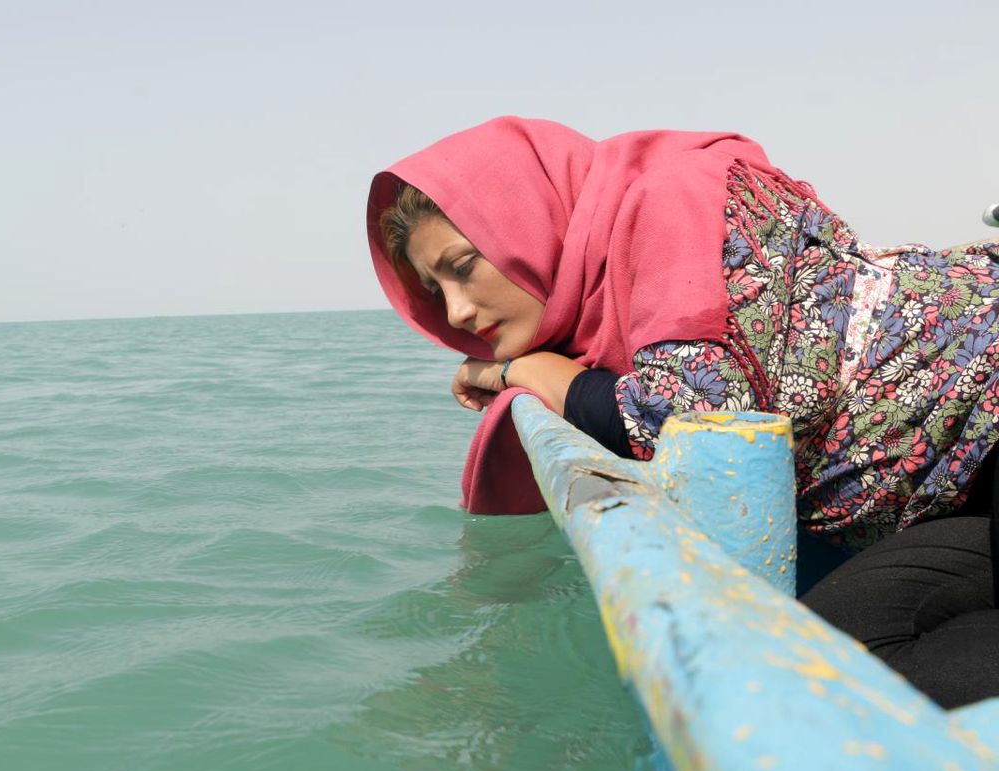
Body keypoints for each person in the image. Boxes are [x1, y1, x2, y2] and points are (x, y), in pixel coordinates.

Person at [366, 116, 999, 708]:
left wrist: (523, 370)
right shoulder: (607, 293)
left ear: (522, 222)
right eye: (434, 291)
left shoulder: (672, 198)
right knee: (837, 663)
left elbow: (695, 414)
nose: (456, 313)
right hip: (956, 491)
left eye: (463, 268)